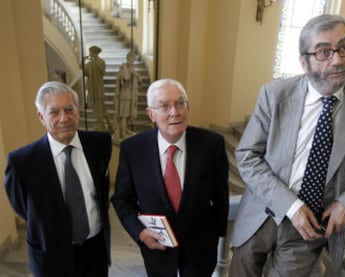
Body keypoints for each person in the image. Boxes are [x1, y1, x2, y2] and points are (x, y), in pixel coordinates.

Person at [229, 14, 345, 277]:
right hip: (263, 209)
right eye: (324, 52)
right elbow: (247, 155)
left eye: (344, 48)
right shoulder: (274, 94)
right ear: (304, 62)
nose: (337, 59)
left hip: (313, 225)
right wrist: (290, 206)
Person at [111, 78, 229, 276]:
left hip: (200, 248)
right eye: (164, 106)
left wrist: (215, 235)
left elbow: (220, 196)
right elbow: (121, 199)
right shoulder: (133, 149)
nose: (175, 112)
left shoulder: (211, 144)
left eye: (180, 103)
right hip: (156, 247)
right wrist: (139, 233)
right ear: (151, 114)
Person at [4, 81, 112, 277]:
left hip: (96, 250)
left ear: (78, 111)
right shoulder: (22, 162)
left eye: (69, 109)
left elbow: (102, 191)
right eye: (54, 112)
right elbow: (24, 208)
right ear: (41, 117)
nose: (64, 118)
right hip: (51, 255)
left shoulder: (100, 144)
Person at [84, 45, 112, 132]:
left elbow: (102, 72)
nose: (89, 54)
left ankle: (101, 126)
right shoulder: (90, 64)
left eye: (90, 52)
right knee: (102, 108)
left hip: (98, 87)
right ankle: (109, 126)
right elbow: (84, 71)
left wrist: (94, 62)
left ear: (94, 53)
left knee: (100, 108)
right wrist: (83, 60)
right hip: (92, 87)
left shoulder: (100, 62)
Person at [113, 51, 140, 139]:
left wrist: (136, 75)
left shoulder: (130, 68)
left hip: (130, 95)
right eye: (133, 59)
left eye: (134, 59)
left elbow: (138, 80)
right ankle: (122, 133)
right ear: (129, 58)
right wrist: (132, 73)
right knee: (123, 116)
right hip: (125, 95)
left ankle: (124, 130)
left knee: (128, 115)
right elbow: (125, 78)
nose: (133, 61)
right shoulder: (124, 68)